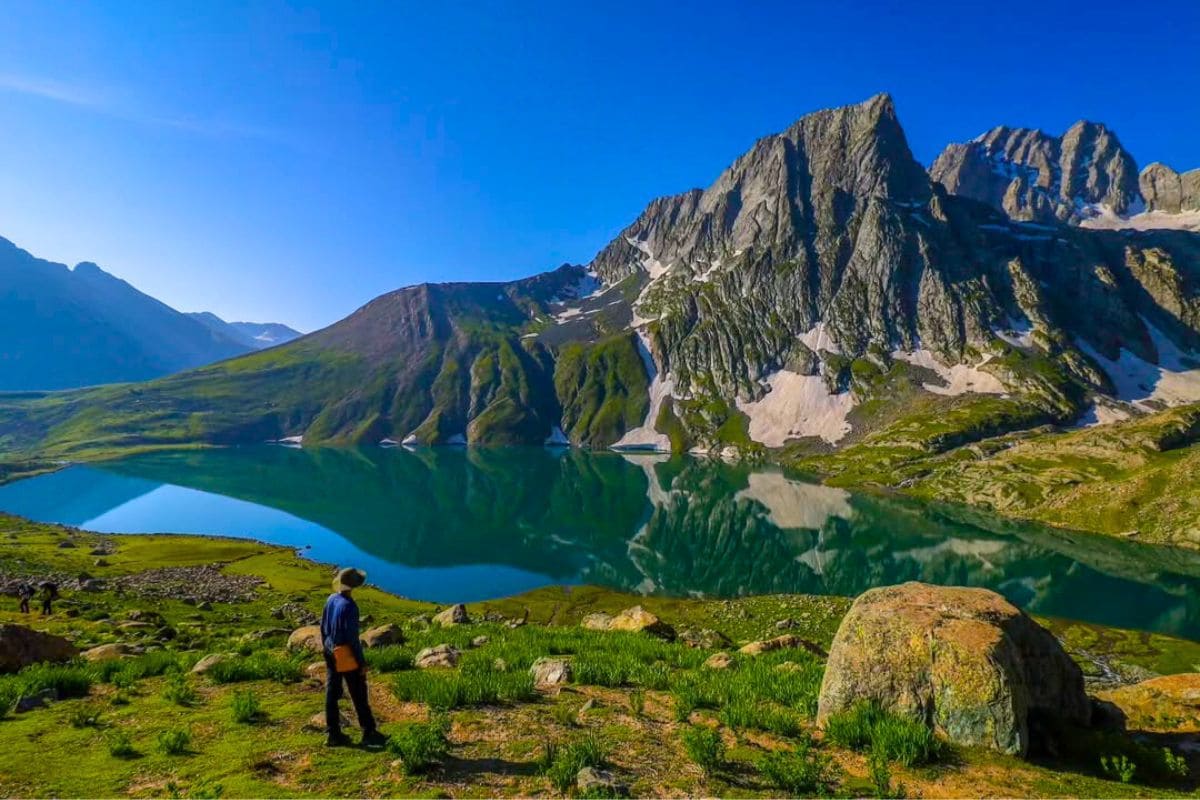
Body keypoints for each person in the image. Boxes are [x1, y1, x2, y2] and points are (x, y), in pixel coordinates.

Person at [320, 567, 385, 748]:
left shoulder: (331, 599)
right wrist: (361, 662)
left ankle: (333, 734)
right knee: (358, 692)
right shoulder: (350, 606)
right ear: (355, 585)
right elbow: (352, 639)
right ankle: (368, 731)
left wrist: (327, 646)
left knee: (332, 691)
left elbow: (323, 627)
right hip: (346, 654)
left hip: (330, 650)